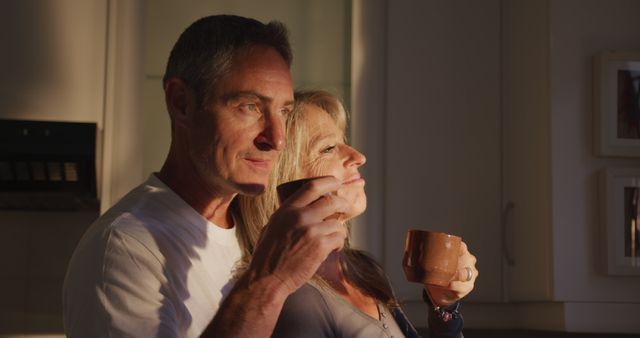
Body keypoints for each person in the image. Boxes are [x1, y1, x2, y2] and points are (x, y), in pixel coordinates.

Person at [63, 15, 352, 337]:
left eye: (283, 111)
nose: (277, 138)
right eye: (250, 106)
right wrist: (269, 281)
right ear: (181, 103)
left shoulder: (255, 228)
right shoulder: (124, 249)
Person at [235, 90, 479, 338]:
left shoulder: (364, 270)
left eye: (344, 141)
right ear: (284, 183)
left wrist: (443, 307)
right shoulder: (296, 301)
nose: (359, 157)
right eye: (328, 148)